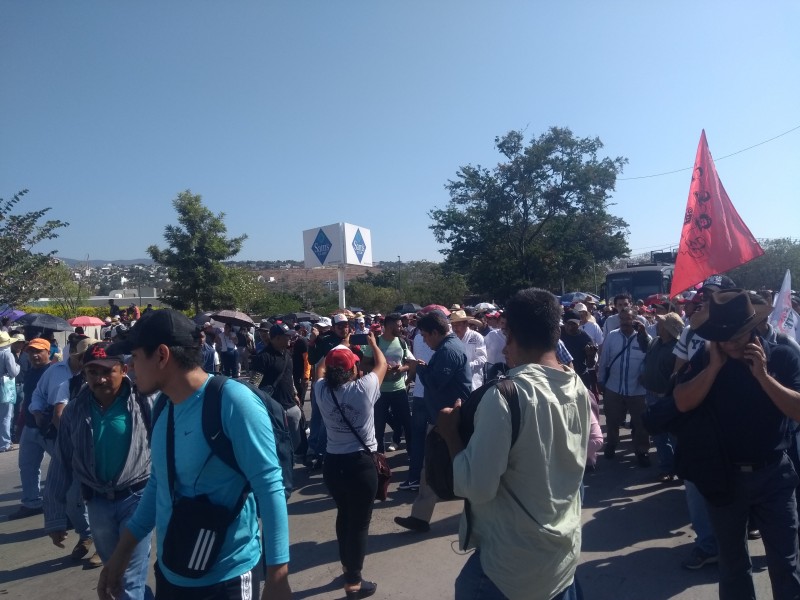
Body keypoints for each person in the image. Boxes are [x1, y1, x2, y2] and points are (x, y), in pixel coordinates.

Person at [98, 309, 291, 600]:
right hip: (172, 571)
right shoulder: (164, 405)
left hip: (228, 579)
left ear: (162, 355)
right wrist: (122, 552)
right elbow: (159, 485)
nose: (130, 367)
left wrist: (277, 576)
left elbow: (269, 486)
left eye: (135, 357)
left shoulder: (233, 403)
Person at [436, 288, 589, 600]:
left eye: (506, 335)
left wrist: (450, 434)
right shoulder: (576, 384)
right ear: (555, 332)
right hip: (562, 554)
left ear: (510, 333)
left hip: (511, 568)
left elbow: (477, 487)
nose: (504, 349)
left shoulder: (506, 396)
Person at [674, 290, 800, 599]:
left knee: (785, 562)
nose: (730, 342)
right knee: (732, 564)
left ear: (753, 328)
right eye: (722, 335)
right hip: (724, 478)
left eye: (737, 334)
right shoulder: (706, 357)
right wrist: (713, 368)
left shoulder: (782, 355)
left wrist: (763, 377)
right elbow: (682, 402)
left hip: (775, 475)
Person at [44, 342, 154, 600]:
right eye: (92, 372)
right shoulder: (75, 410)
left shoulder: (143, 402)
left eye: (107, 371)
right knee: (115, 573)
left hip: (137, 500)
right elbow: (61, 462)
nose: (100, 378)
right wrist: (55, 516)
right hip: (98, 503)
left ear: (123, 370)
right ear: (84, 374)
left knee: (127, 580)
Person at [314, 335, 387, 599]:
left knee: (344, 515)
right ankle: (354, 583)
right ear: (354, 369)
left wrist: (335, 347)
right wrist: (373, 343)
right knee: (359, 523)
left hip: (333, 463)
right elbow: (382, 364)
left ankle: (348, 567)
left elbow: (320, 368)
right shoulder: (364, 388)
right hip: (360, 465)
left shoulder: (321, 389)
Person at [395, 309, 471, 533]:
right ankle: (420, 517)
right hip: (444, 418)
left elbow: (437, 382)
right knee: (433, 469)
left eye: (426, 336)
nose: (425, 341)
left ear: (436, 332)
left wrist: (420, 369)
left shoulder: (449, 350)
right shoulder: (447, 348)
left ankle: (479, 514)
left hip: (450, 420)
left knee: (443, 467)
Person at [597, 308, 651, 466]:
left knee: (641, 423)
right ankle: (612, 444)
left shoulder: (645, 339)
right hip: (614, 388)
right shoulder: (612, 337)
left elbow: (650, 360)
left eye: (628, 320)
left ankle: (642, 451)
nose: (625, 323)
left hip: (638, 390)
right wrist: (601, 381)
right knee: (612, 420)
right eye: (622, 320)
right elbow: (604, 360)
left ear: (636, 319)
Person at [361, 312, 416, 453]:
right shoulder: (376, 343)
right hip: (380, 391)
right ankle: (380, 457)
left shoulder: (403, 342)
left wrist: (401, 369)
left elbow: (410, 363)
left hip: (399, 389)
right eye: (398, 326)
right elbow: (363, 365)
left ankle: (411, 453)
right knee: (378, 426)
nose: (402, 328)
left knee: (408, 423)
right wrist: (381, 370)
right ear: (390, 326)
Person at [640, 312, 683, 482]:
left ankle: (680, 468)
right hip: (652, 395)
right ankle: (666, 468)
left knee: (674, 436)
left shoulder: (678, 348)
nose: (657, 324)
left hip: (668, 398)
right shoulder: (656, 342)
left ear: (668, 329)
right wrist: (643, 335)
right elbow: (646, 348)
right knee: (658, 436)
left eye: (661, 323)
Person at [450, 310, 487, 391]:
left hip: (474, 384)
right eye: (453, 325)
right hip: (455, 385)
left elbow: (482, 359)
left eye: (458, 324)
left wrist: (465, 367)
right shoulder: (451, 338)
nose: (455, 328)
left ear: (466, 324)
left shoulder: (476, 337)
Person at [0, 331, 21, 452]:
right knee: (6, 415)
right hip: (5, 386)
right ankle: (5, 443)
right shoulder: (7, 354)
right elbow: (13, 372)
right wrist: (18, 367)